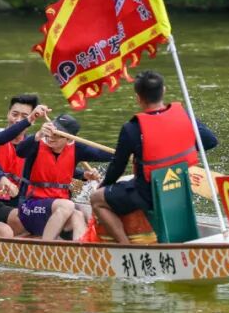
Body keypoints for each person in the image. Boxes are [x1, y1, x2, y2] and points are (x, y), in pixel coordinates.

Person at [89, 71, 218, 244]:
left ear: (138, 98)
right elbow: (210, 141)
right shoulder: (183, 116)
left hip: (148, 194)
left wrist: (103, 185)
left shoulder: (132, 128)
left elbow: (117, 167)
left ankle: (125, 247)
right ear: (163, 90)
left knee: (96, 199)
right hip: (180, 189)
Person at [10, 114, 112, 241]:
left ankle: (80, 251)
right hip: (30, 208)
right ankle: (45, 248)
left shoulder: (77, 149)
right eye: (52, 130)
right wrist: (38, 134)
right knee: (68, 206)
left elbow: (105, 154)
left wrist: (127, 151)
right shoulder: (36, 143)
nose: (52, 136)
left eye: (58, 134)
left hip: (59, 209)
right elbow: (20, 151)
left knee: (78, 215)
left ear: (69, 139)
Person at [0, 94, 51, 223]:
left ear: (33, 121)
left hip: (21, 201)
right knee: (25, 218)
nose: (17, 120)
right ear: (7, 114)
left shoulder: (35, 142)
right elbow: (0, 139)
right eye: (14, 114)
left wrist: (85, 175)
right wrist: (29, 119)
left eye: (24, 116)